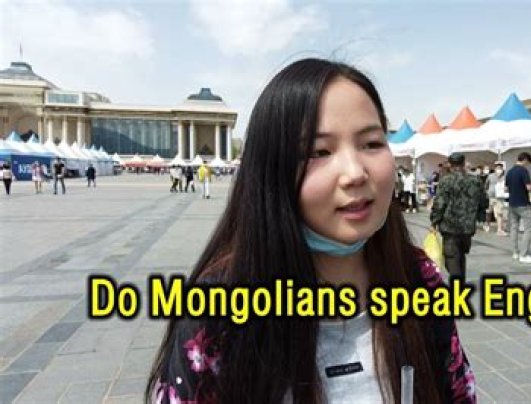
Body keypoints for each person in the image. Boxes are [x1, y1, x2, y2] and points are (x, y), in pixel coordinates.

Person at [146, 58, 476, 403]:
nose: (355, 173)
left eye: (371, 143)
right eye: (319, 151)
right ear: (271, 170)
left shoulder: (419, 278)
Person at [430, 152, 482, 283]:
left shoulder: (446, 180)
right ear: (464, 163)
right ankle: (460, 283)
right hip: (467, 226)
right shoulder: (475, 180)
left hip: (450, 226)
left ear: (450, 164)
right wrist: (478, 216)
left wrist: (434, 220)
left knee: (452, 258)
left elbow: (440, 203)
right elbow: (483, 201)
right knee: (461, 255)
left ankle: (457, 287)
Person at [506, 152, 531, 264]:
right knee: (528, 229)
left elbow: (506, 189)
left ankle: (515, 252)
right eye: (528, 163)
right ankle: (524, 254)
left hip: (512, 203)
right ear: (525, 160)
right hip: (523, 203)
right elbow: (529, 188)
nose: (527, 165)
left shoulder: (510, 171)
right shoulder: (523, 171)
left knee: (514, 228)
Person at [486, 162, 508, 236]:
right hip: (490, 196)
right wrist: (487, 192)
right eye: (498, 168)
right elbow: (486, 185)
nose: (499, 170)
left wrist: (506, 189)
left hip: (499, 197)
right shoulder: (490, 176)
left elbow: (507, 186)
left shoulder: (504, 177)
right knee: (489, 211)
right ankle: (487, 224)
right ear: (495, 169)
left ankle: (499, 229)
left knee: (499, 213)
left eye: (500, 168)